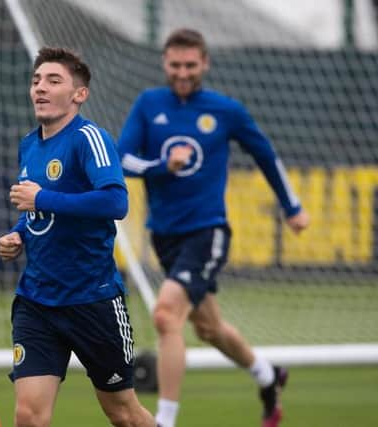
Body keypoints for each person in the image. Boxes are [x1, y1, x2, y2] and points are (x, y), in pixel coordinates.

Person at [116, 29, 310, 427]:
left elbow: (266, 156)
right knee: (208, 327)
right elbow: (121, 160)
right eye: (175, 65)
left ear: (205, 64)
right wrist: (160, 167)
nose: (183, 73)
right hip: (165, 234)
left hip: (208, 231)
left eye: (190, 65)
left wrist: (292, 206)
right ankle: (267, 375)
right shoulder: (149, 104)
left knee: (166, 315)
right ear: (164, 63)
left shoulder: (226, 110)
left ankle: (164, 420)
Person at [0, 47, 155, 427]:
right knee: (29, 416)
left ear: (79, 95)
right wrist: (18, 234)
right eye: (36, 80)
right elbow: (38, 212)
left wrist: (41, 198)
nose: (40, 88)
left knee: (123, 414)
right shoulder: (29, 145)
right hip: (36, 301)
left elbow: (116, 201)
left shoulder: (89, 138)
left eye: (53, 81)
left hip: (91, 300)